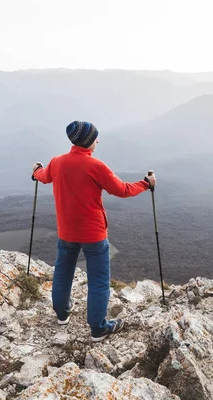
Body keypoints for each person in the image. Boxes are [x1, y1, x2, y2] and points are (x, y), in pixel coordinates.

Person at [31, 120, 156, 342]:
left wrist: (37, 171)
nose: (97, 141)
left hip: (66, 232)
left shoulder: (57, 162)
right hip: (94, 234)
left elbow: (43, 177)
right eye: (95, 138)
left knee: (62, 272)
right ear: (89, 141)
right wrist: (146, 184)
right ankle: (98, 327)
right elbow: (122, 190)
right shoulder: (95, 166)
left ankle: (62, 314)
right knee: (98, 281)